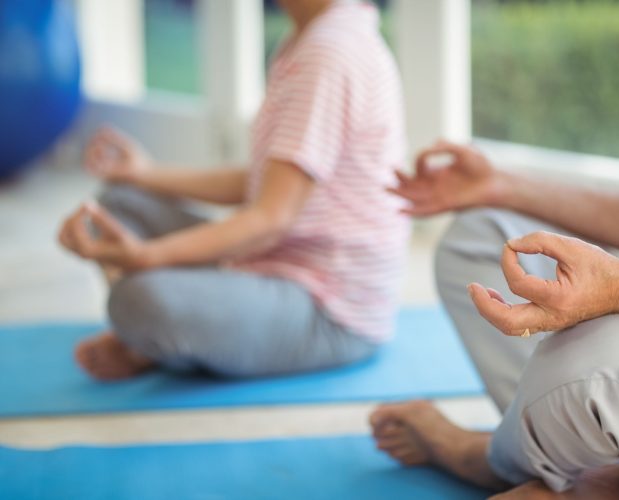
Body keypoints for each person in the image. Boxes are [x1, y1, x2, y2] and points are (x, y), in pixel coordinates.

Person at [370, 1, 619, 498]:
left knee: (596, 357)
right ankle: (602, 471)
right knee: (480, 239)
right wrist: (500, 185)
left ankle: (489, 459)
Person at [58, 0, 409, 381]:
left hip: (329, 311)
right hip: (269, 265)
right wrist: (144, 173)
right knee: (121, 205)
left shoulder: (330, 52)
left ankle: (153, 341)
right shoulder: (308, 38)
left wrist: (145, 257)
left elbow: (272, 218)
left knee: (135, 300)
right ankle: (160, 339)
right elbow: (264, 180)